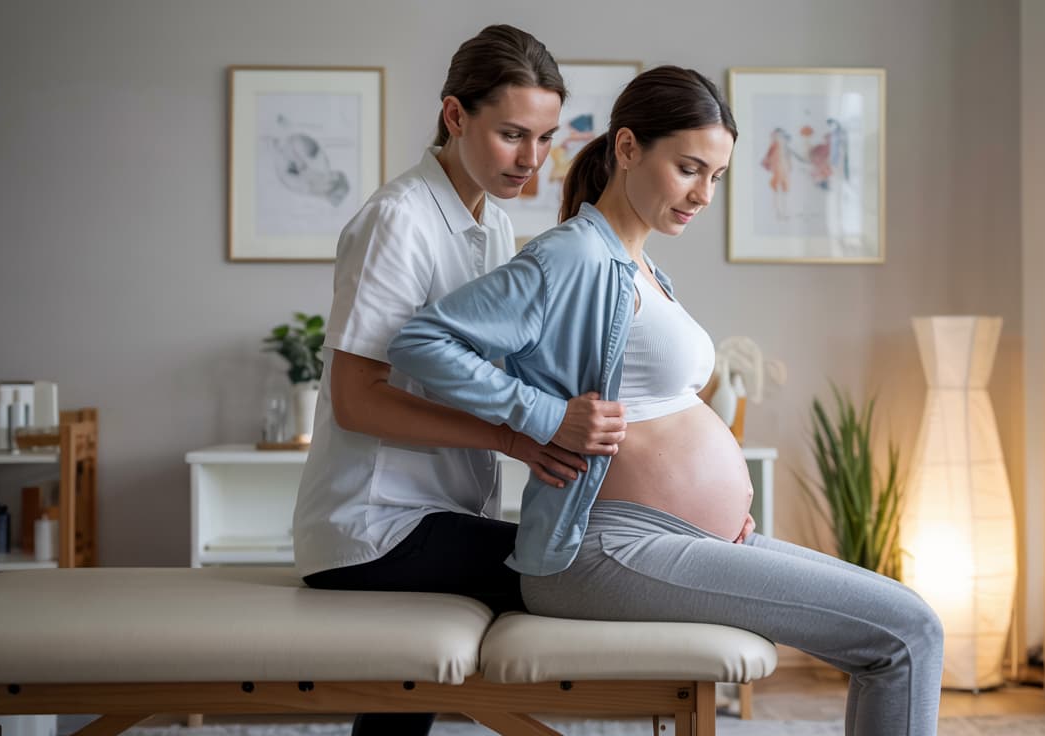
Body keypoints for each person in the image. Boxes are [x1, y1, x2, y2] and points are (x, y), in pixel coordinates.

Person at [389, 65, 945, 736]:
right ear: (627, 149)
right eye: (689, 168)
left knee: (906, 627)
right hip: (603, 549)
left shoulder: (642, 264)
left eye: (716, 177)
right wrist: (543, 419)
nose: (704, 194)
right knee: (906, 633)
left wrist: (713, 516)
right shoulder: (573, 257)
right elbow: (423, 342)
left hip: (671, 539)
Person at [289, 24, 626, 736]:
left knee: (407, 694)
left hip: (438, 518)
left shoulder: (496, 228)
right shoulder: (398, 220)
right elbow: (355, 400)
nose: (531, 159)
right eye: (511, 135)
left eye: (544, 138)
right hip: (374, 529)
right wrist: (519, 435)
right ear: (455, 116)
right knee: (574, 571)